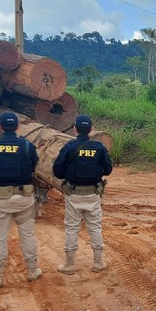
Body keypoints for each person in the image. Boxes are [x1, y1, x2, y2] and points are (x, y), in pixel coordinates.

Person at [0, 112, 41, 288]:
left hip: (0, 199)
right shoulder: (27, 146)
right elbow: (34, 163)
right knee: (27, 235)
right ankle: (32, 271)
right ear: (18, 127)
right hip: (24, 198)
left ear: (0, 126)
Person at [52, 114, 113, 274]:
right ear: (91, 130)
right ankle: (98, 263)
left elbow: (57, 171)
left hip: (73, 194)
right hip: (93, 194)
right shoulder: (99, 148)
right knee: (95, 227)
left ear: (75, 129)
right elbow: (108, 170)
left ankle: (70, 265)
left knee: (72, 228)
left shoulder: (69, 147)